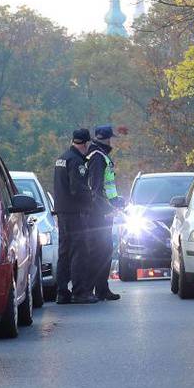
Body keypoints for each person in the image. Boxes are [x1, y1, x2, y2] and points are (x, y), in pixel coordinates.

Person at [82, 124, 125, 301]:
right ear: (108, 139)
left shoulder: (95, 154)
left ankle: (100, 288)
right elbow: (97, 188)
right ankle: (99, 289)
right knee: (102, 251)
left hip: (100, 211)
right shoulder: (98, 157)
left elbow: (106, 188)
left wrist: (116, 200)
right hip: (99, 214)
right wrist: (106, 209)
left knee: (101, 251)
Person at [52, 129, 93, 303]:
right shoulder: (76, 161)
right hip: (75, 213)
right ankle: (79, 292)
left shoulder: (62, 158)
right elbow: (77, 189)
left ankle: (62, 292)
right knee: (79, 251)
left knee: (64, 252)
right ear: (85, 144)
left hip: (62, 212)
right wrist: (90, 198)